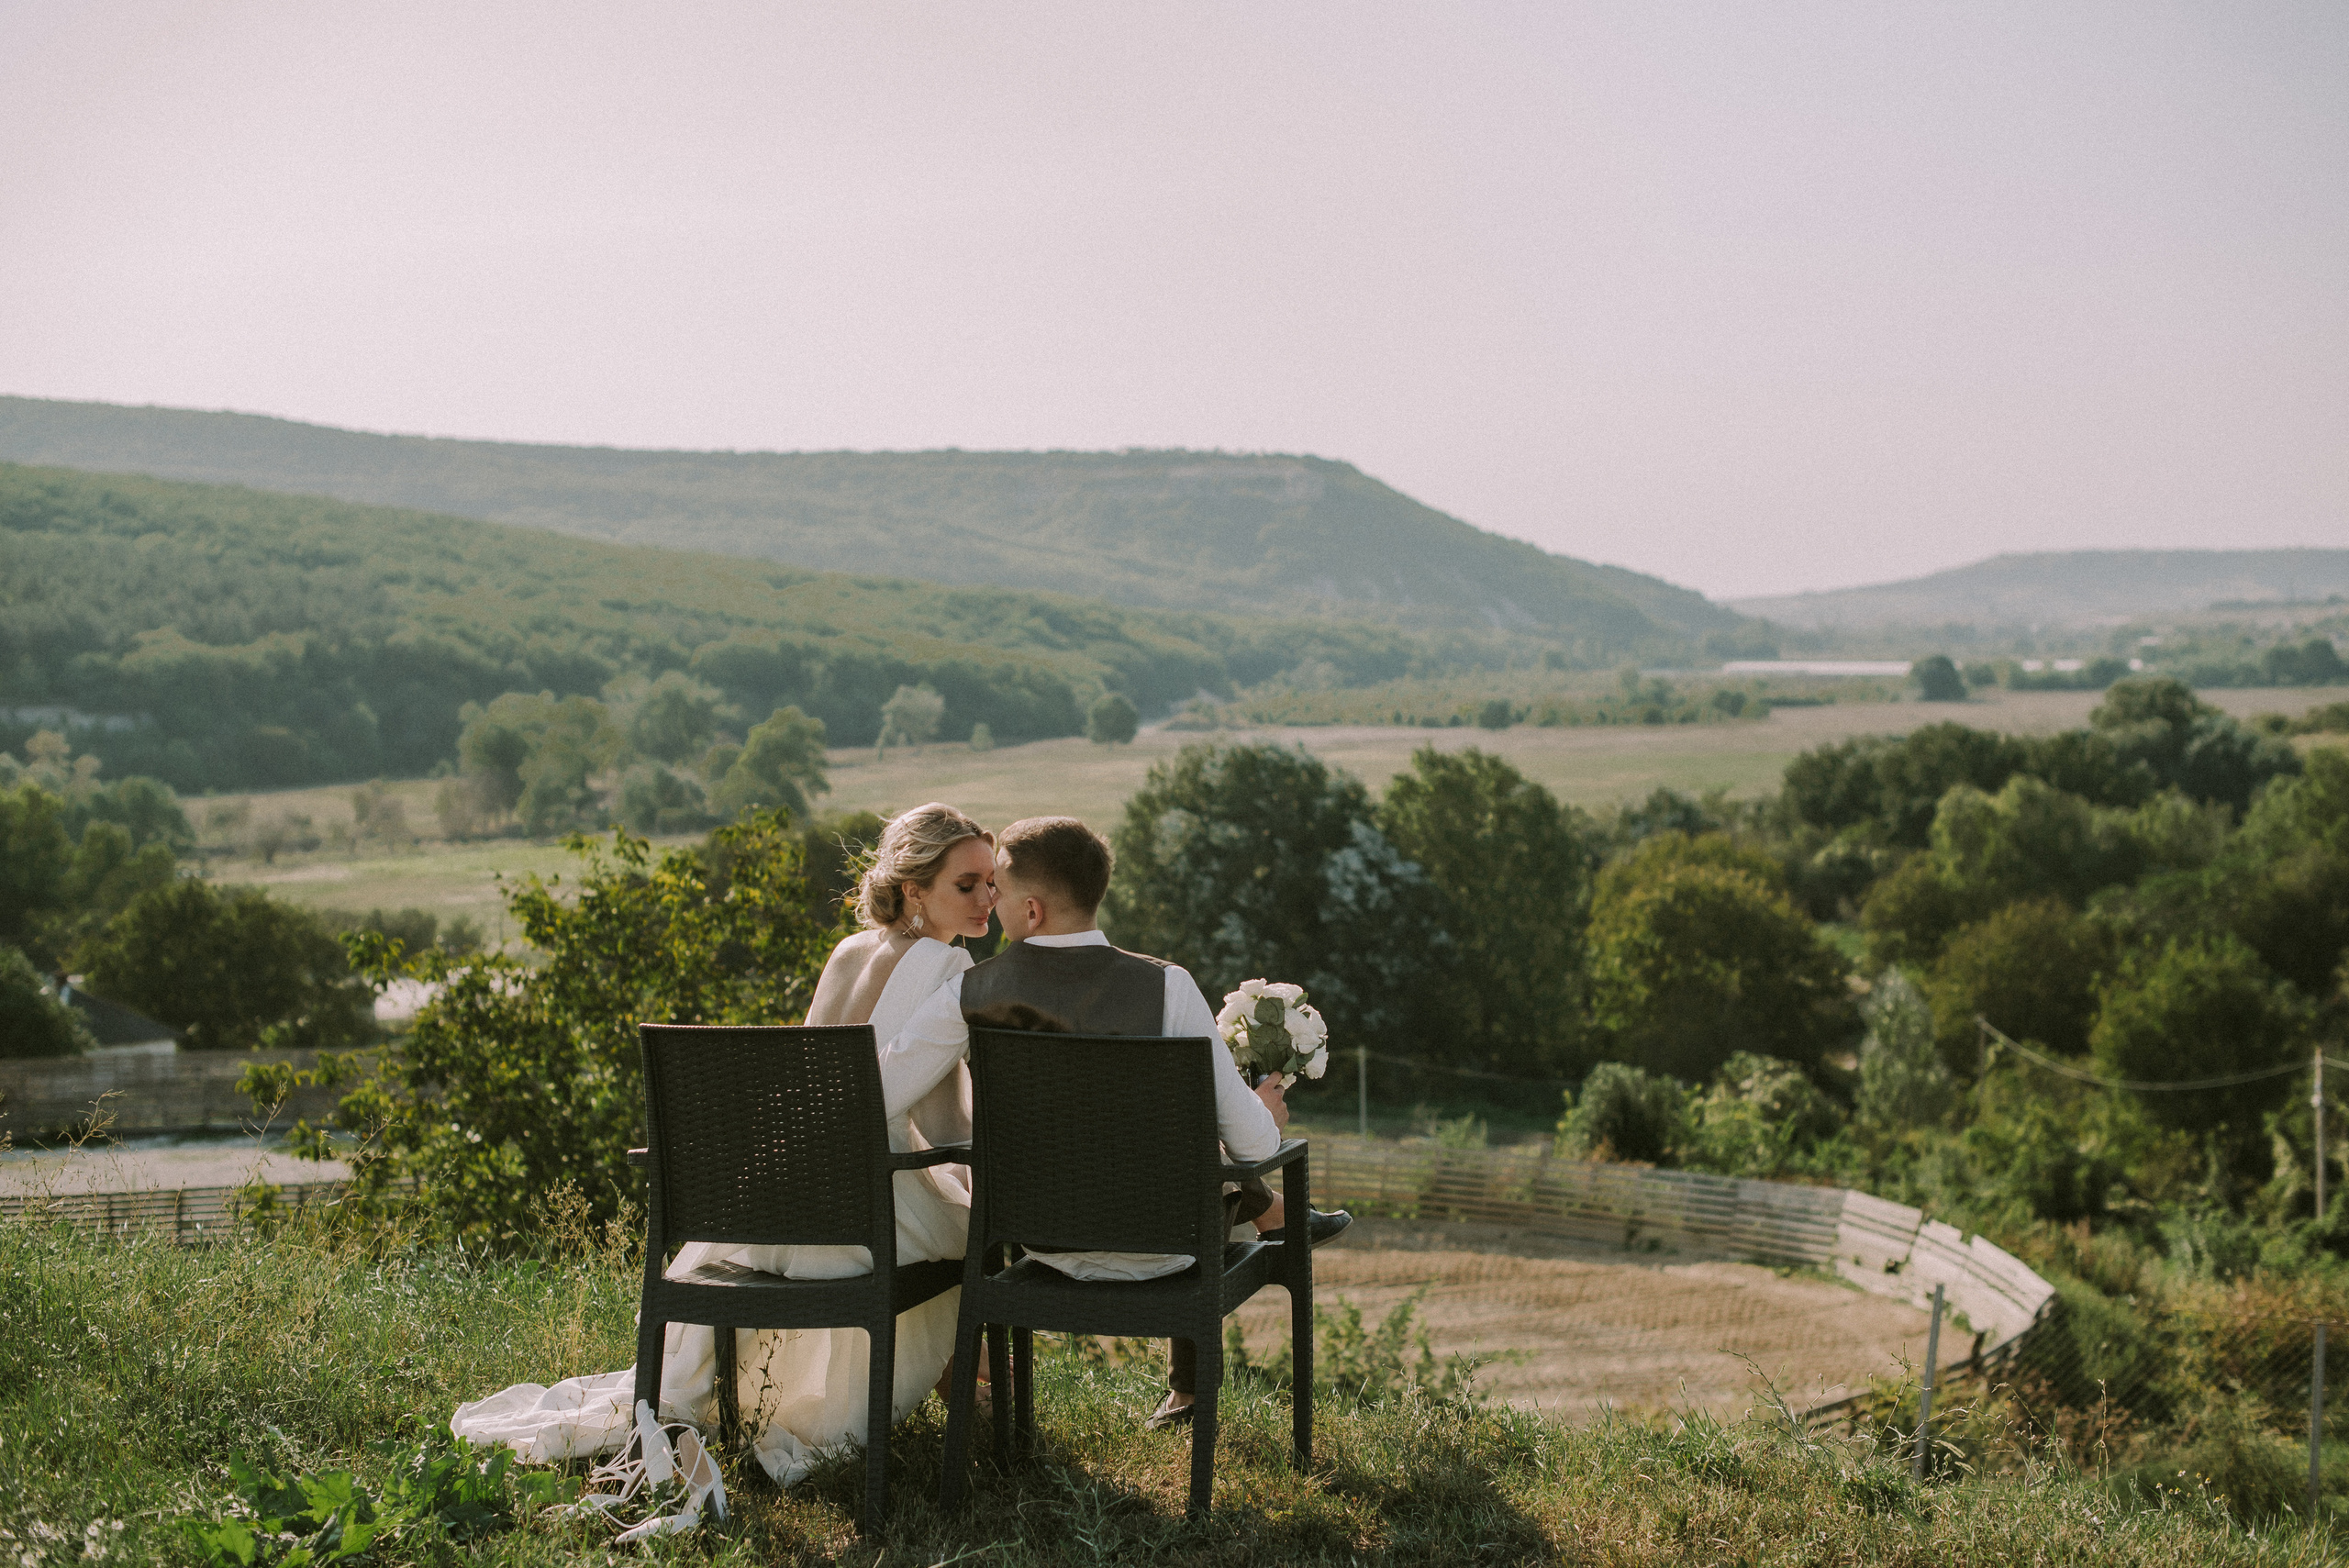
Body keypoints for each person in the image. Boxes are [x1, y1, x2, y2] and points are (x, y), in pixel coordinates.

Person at [451, 803, 997, 1485]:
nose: (988, 899)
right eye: (966, 884)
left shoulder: (848, 952)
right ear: (916, 890)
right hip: (854, 1222)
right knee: (977, 1230)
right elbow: (902, 1112)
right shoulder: (950, 967)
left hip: (763, 1212)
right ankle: (974, 1401)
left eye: (991, 882)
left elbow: (814, 1089)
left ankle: (959, 1390)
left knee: (958, 1212)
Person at [879, 815, 1351, 1431]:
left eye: (999, 891)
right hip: (1166, 1250)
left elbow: (880, 1090)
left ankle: (1184, 1386)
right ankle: (1196, 1384)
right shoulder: (1168, 986)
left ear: (1032, 910)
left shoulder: (971, 991)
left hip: (1040, 1244)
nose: (991, 905)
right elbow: (1257, 1144)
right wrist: (1260, 1112)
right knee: (1224, 1155)